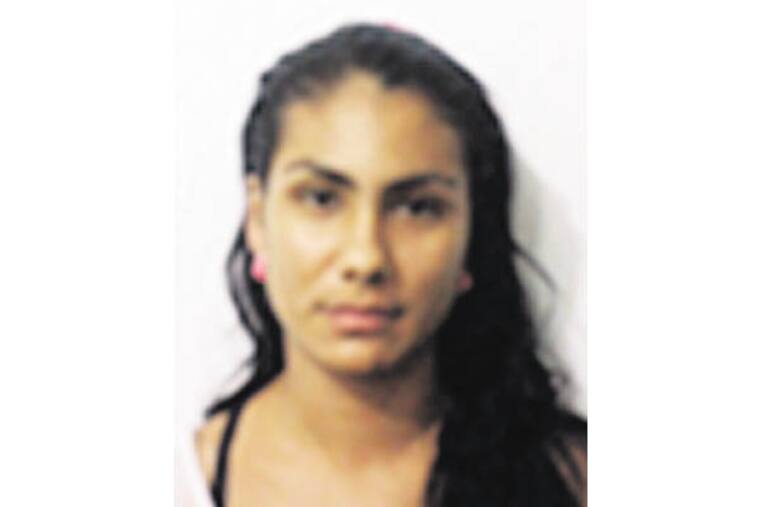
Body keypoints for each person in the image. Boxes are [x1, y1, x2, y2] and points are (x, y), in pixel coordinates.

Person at [193, 23, 586, 507]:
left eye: (418, 208)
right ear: (257, 219)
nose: (367, 257)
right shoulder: (181, 481)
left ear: (472, 234)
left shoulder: (574, 480)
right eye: (322, 199)